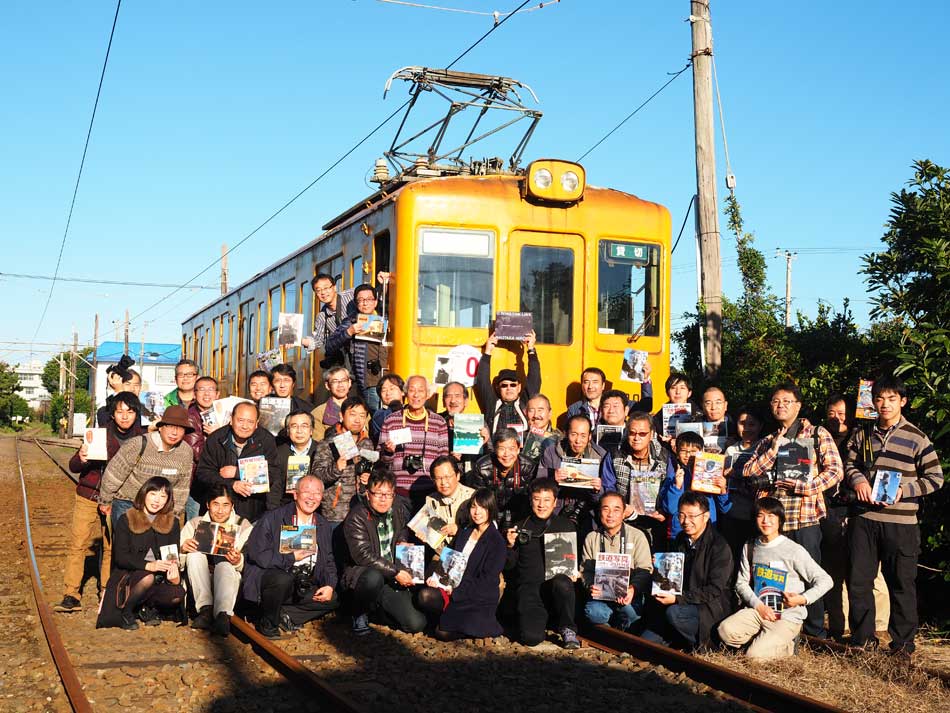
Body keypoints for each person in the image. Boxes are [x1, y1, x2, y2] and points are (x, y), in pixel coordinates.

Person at [845, 375, 945, 656]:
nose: (884, 404)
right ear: (873, 402)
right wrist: (858, 482)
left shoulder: (916, 437)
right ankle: (863, 641)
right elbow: (849, 465)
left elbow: (936, 478)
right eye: (879, 399)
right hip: (864, 520)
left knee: (901, 584)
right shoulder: (862, 433)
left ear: (903, 402)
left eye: (891, 399)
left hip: (901, 524)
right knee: (859, 582)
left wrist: (905, 489)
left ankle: (902, 645)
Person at [742, 381, 843, 638]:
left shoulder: (817, 434)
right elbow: (748, 472)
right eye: (776, 401)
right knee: (776, 576)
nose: (781, 405)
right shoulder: (767, 440)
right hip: (775, 522)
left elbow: (835, 471)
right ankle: (783, 627)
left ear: (798, 405)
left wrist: (804, 486)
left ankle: (815, 632)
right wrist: (773, 451)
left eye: (787, 401)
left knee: (810, 575)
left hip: (805, 516)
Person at [55, 392, 145, 613]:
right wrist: (82, 457)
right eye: (120, 412)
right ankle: (71, 592)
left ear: (136, 414)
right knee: (79, 543)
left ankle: (106, 590)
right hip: (89, 495)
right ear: (112, 414)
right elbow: (74, 466)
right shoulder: (98, 434)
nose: (125, 417)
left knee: (111, 546)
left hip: (119, 499)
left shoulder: (142, 439)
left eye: (130, 412)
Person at [719, 497, 832, 659]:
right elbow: (741, 583)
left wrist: (802, 599)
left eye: (771, 516)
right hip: (759, 610)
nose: (766, 521)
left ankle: (788, 646)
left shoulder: (793, 550)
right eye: (761, 515)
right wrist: (758, 606)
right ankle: (763, 640)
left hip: (787, 616)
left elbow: (825, 580)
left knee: (754, 657)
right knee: (725, 631)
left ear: (780, 520)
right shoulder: (750, 546)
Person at [242, 477, 339, 638]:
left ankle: (282, 614)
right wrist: (291, 557)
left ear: (322, 497)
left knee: (333, 598)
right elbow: (257, 554)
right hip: (273, 581)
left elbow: (328, 560)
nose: (311, 497)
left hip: (303, 582)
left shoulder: (322, 524)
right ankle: (268, 623)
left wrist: (329, 584)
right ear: (295, 494)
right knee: (282, 579)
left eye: (317, 493)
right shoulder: (273, 518)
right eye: (306, 492)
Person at [341, 471, 431, 635]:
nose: (383, 499)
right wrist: (395, 572)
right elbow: (363, 555)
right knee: (373, 578)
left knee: (416, 624)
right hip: (363, 574)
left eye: (388, 494)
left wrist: (402, 541)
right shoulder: (356, 517)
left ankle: (376, 611)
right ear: (368, 494)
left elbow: (403, 529)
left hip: (390, 575)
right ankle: (359, 612)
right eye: (378, 494)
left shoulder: (397, 509)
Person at [642, 492, 733, 650]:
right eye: (681, 515)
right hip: (681, 602)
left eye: (692, 516)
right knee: (645, 642)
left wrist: (678, 599)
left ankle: (703, 645)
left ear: (705, 516)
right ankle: (680, 639)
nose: (686, 521)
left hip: (707, 609)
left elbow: (714, 589)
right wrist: (660, 570)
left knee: (674, 614)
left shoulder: (719, 546)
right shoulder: (680, 540)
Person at [96, 477, 186, 630]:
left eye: (163, 496)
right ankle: (126, 612)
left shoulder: (172, 522)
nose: (157, 500)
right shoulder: (127, 519)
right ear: (144, 494)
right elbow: (121, 557)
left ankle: (148, 608)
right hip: (131, 574)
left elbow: (172, 555)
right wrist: (149, 565)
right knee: (146, 577)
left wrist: (175, 574)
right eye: (153, 494)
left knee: (177, 593)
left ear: (168, 500)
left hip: (159, 578)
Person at [504, 478, 580, 649]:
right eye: (537, 499)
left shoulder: (566, 526)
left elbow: (574, 561)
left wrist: (575, 573)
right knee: (530, 638)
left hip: (556, 587)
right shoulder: (519, 526)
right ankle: (543, 619)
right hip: (530, 589)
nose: (541, 505)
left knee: (563, 583)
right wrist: (509, 545)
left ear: (555, 502)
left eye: (547, 500)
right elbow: (509, 566)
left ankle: (568, 628)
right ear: (531, 500)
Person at [99, 405, 195, 527]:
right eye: (170, 426)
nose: (174, 432)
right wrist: (105, 501)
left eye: (180, 428)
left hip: (160, 508)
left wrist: (175, 514)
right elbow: (114, 473)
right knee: (125, 544)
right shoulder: (138, 444)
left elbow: (181, 487)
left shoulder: (186, 452)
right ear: (160, 428)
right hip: (128, 503)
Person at [180, 485, 254, 636]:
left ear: (232, 505)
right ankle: (205, 610)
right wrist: (183, 549)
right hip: (199, 583)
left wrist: (238, 560)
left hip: (229, 584)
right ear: (208, 504)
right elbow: (177, 564)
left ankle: (222, 615)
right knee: (194, 555)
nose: (220, 511)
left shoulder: (244, 526)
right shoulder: (194, 524)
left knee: (224, 566)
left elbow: (251, 566)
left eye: (225, 505)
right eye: (216, 504)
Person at [435, 488, 507, 641]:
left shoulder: (497, 541)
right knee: (426, 596)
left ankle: (474, 625)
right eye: (474, 506)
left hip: (478, 596)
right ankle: (448, 615)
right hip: (453, 586)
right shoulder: (465, 530)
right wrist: (438, 578)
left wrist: (456, 592)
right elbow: (451, 559)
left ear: (491, 509)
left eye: (483, 507)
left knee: (443, 633)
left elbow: (486, 580)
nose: (477, 512)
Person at [195, 401, 282, 522]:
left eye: (250, 422)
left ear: (256, 424)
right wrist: (232, 485)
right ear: (231, 419)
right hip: (218, 513)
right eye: (240, 420)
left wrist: (239, 472)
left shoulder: (266, 440)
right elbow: (203, 473)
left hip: (253, 510)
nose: (245, 426)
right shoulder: (216, 439)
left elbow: (273, 473)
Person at [581, 492, 653, 632]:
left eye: (616, 509)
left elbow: (645, 569)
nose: (610, 514)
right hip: (602, 597)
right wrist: (590, 585)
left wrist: (633, 589)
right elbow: (586, 571)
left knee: (633, 618)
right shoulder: (592, 537)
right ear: (599, 511)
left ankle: (620, 622)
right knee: (594, 613)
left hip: (629, 596)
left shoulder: (637, 536)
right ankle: (613, 625)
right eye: (606, 509)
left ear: (624, 512)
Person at [379, 375, 449, 510]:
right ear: (405, 393)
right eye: (412, 390)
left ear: (428, 394)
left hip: (430, 492)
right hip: (399, 492)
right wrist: (388, 452)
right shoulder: (391, 420)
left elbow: (443, 458)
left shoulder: (439, 422)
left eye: (421, 390)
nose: (416, 395)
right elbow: (381, 460)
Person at [600, 411, 669, 548]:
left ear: (652, 434)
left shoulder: (665, 457)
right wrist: (621, 508)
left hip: (655, 521)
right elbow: (608, 488)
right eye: (632, 433)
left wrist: (664, 510)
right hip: (623, 519)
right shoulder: (614, 455)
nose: (637, 438)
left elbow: (670, 488)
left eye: (642, 434)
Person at [325, 283, 390, 412]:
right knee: (375, 413)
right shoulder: (351, 321)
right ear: (356, 303)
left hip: (389, 379)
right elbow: (329, 345)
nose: (365, 303)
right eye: (360, 300)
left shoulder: (386, 318)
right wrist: (349, 332)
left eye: (369, 299)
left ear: (376, 302)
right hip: (367, 381)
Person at [312, 398, 375, 526]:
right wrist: (336, 468)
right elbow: (316, 476)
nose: (357, 420)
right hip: (335, 512)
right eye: (352, 414)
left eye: (362, 416)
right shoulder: (328, 443)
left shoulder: (367, 443)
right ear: (341, 415)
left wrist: (368, 479)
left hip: (362, 511)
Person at [659, 430, 731, 542]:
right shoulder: (672, 477)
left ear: (701, 451)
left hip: (707, 532)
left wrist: (722, 489)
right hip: (679, 534)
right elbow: (670, 508)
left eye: (693, 451)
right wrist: (677, 486)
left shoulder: (711, 474)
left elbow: (725, 508)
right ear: (676, 452)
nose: (688, 455)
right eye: (683, 451)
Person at [539, 414, 606, 529]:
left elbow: (605, 497)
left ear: (590, 436)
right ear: (566, 434)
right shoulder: (551, 452)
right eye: (573, 434)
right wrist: (552, 478)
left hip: (586, 512)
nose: (578, 441)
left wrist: (597, 490)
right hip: (556, 509)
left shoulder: (600, 456)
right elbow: (538, 486)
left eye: (583, 436)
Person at [474, 328, 541, 438]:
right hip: (496, 452)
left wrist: (531, 349)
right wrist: (487, 351)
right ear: (498, 388)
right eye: (504, 385)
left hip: (521, 453)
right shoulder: (492, 404)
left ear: (519, 387)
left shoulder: (525, 402)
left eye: (513, 385)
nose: (509, 388)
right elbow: (483, 380)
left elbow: (535, 377)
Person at [718, 407, 766, 558]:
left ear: (760, 426)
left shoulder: (765, 449)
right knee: (731, 555)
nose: (746, 428)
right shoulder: (731, 450)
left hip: (756, 514)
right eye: (742, 423)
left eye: (752, 424)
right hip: (731, 513)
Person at [468, 428, 538, 524]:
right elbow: (479, 501)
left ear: (518, 449)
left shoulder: (529, 466)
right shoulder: (482, 466)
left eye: (511, 449)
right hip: (490, 517)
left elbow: (531, 500)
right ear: (495, 449)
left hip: (519, 518)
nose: (506, 454)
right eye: (502, 449)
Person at [183, 375, 221, 521]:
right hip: (197, 482)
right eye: (202, 390)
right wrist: (218, 435)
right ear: (194, 394)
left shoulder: (222, 415)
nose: (207, 394)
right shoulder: (190, 417)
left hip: (215, 479)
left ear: (217, 394)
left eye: (211, 390)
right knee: (196, 523)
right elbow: (197, 453)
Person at [302, 272, 356, 370]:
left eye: (326, 288)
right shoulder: (322, 316)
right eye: (318, 290)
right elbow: (318, 340)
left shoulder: (352, 295)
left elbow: (371, 295)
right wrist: (299, 340)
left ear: (334, 287)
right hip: (350, 359)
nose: (323, 293)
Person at [423, 456, 475, 548]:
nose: (443, 482)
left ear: (458, 475)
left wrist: (460, 531)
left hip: (470, 552)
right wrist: (426, 537)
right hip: (443, 554)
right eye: (438, 478)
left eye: (447, 477)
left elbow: (485, 531)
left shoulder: (472, 497)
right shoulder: (430, 500)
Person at [273, 410, 321, 506]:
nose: (299, 431)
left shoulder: (321, 451)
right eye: (294, 426)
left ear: (311, 430)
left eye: (304, 426)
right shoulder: (278, 453)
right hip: (286, 505)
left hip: (316, 507)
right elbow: (275, 489)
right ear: (288, 430)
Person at [440, 381, 484, 471]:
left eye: (457, 396)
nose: (453, 400)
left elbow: (487, 457)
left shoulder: (476, 423)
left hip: (470, 477)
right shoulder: (437, 422)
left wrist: (485, 442)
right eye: (448, 396)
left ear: (466, 401)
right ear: (443, 402)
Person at [653, 372, 700, 444]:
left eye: (682, 388)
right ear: (667, 393)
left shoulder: (699, 416)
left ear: (689, 393)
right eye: (673, 388)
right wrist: (664, 443)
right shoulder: (657, 419)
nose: (678, 392)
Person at [311, 367, 353, 441]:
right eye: (335, 381)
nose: (340, 385)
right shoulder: (318, 413)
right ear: (327, 385)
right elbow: (318, 443)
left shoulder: (361, 409)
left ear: (349, 383)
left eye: (344, 380)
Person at [521, 394, 561, 465]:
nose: (535, 415)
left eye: (540, 410)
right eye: (531, 410)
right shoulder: (520, 437)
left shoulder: (560, 439)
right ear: (526, 413)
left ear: (549, 413)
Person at [370, 373, 405, 444]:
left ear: (402, 392)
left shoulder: (410, 410)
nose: (388, 393)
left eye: (392, 388)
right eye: (384, 390)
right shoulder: (379, 415)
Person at [596, 389, 631, 457]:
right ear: (601, 411)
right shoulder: (592, 436)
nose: (611, 411)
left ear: (626, 410)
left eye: (615, 406)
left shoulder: (633, 434)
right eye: (606, 406)